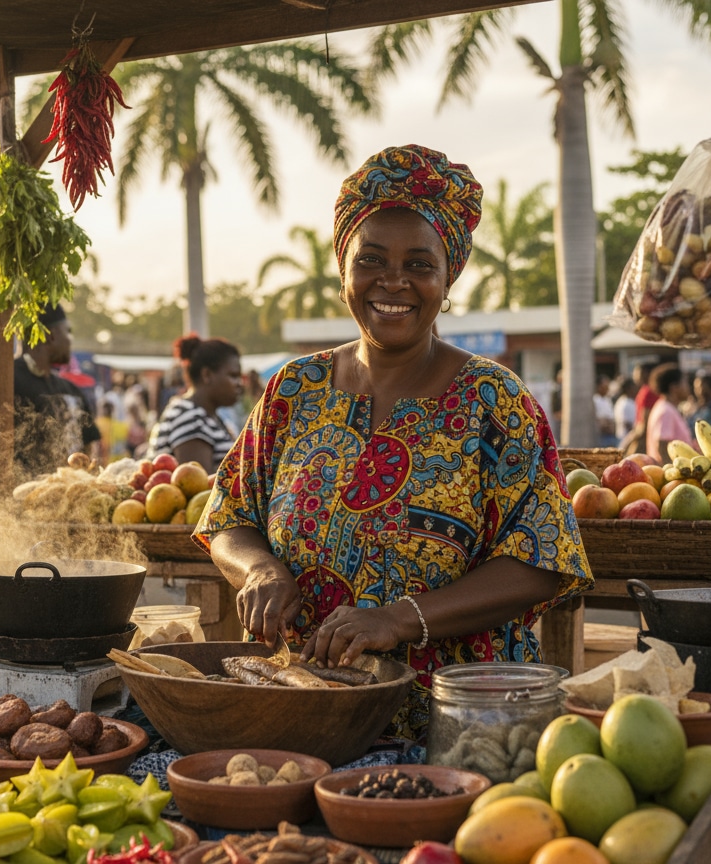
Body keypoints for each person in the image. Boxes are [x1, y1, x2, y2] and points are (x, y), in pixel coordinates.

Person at [192, 145, 593, 743]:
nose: (394, 282)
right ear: (344, 270)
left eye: (420, 264)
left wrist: (399, 620)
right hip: (297, 715)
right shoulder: (292, 391)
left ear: (447, 277)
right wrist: (260, 571)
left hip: (454, 728)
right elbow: (229, 515)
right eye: (371, 259)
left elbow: (542, 561)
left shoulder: (494, 401)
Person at [13, 304, 103, 475]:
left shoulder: (70, 389)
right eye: (67, 332)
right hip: (26, 495)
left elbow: (89, 442)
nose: (70, 340)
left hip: (72, 493)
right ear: (51, 336)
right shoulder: (9, 380)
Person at [146, 335, 244, 473]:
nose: (240, 383)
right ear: (207, 375)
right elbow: (198, 486)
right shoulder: (189, 417)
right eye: (233, 376)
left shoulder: (209, 416)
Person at [645, 363, 695, 465]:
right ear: (674, 387)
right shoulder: (665, 411)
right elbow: (662, 445)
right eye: (684, 383)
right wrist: (671, 473)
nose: (688, 387)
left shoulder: (668, 408)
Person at [611, 376, 638, 442]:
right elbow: (628, 425)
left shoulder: (630, 401)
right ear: (628, 389)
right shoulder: (624, 403)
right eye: (634, 387)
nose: (636, 389)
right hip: (625, 440)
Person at [593, 374, 617, 447]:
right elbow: (600, 420)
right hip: (601, 436)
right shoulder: (595, 400)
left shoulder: (608, 400)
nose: (607, 388)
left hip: (611, 435)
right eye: (604, 386)